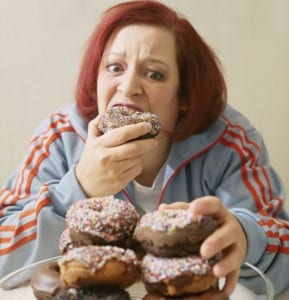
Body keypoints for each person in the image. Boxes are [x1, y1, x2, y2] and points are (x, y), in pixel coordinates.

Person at [0, 0, 288, 296]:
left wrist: (244, 234)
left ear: (184, 95)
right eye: (114, 67)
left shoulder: (231, 143)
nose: (128, 87)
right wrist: (79, 188)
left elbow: (283, 249)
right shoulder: (58, 137)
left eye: (154, 74)